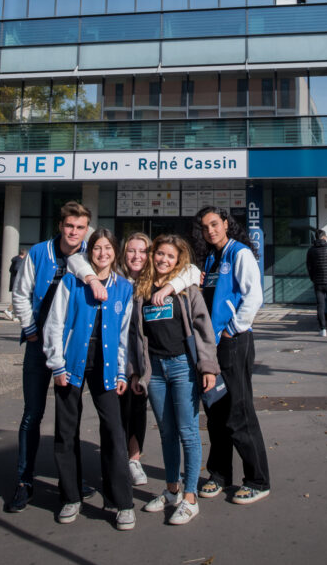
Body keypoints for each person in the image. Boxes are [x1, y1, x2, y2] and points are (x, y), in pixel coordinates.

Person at [71, 230, 201, 488]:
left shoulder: (156, 279)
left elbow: (192, 271)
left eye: (143, 251)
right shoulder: (114, 277)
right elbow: (76, 260)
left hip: (148, 361)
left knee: (138, 410)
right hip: (117, 357)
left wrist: (170, 287)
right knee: (115, 412)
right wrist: (90, 278)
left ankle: (134, 459)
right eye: (131, 250)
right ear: (123, 253)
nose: (137, 256)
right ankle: (115, 464)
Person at [44, 227, 135, 530]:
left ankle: (121, 502)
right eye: (97, 248)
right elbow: (56, 323)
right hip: (71, 365)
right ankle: (71, 496)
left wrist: (122, 370)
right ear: (89, 251)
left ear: (115, 252)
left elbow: (123, 336)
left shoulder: (124, 288)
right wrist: (56, 364)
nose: (103, 253)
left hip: (107, 367)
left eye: (108, 248)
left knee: (113, 432)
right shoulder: (72, 282)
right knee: (66, 431)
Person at [7, 200, 94, 514]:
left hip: (70, 349)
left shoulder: (89, 254)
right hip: (37, 345)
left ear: (87, 229)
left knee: (68, 419)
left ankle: (68, 481)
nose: (74, 232)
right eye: (69, 226)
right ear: (61, 225)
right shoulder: (38, 252)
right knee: (32, 414)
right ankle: (24, 480)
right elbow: (21, 292)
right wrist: (30, 329)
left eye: (80, 227)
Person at [130, 234, 219, 525]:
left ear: (178, 260)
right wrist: (135, 371)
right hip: (154, 371)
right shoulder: (140, 289)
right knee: (167, 433)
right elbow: (134, 335)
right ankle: (172, 491)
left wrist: (207, 367)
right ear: (152, 255)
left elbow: (204, 328)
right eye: (160, 254)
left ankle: (191, 498)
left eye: (171, 256)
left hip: (182, 367)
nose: (164, 260)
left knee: (188, 432)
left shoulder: (186, 289)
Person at [192, 206, 270, 506]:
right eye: (205, 227)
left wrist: (232, 329)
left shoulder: (240, 253)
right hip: (212, 345)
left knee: (239, 411)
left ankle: (257, 480)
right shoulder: (211, 258)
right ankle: (220, 474)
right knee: (215, 412)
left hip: (233, 341)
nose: (210, 230)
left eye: (215, 224)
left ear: (226, 224)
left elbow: (254, 296)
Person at [5, 248, 27, 321]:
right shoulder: (20, 260)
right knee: (19, 299)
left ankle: (13, 313)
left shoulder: (14, 260)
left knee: (18, 298)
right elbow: (17, 269)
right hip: (18, 282)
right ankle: (10, 311)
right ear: (24, 254)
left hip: (14, 281)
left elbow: (11, 270)